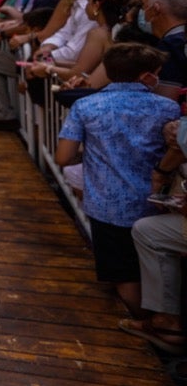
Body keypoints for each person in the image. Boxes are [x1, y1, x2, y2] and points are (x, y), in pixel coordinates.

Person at [56, 43, 179, 318]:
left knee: (123, 275)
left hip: (107, 206)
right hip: (153, 203)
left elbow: (63, 157)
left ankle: (149, 325)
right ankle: (163, 322)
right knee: (156, 267)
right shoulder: (168, 108)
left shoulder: (86, 105)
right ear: (149, 74)